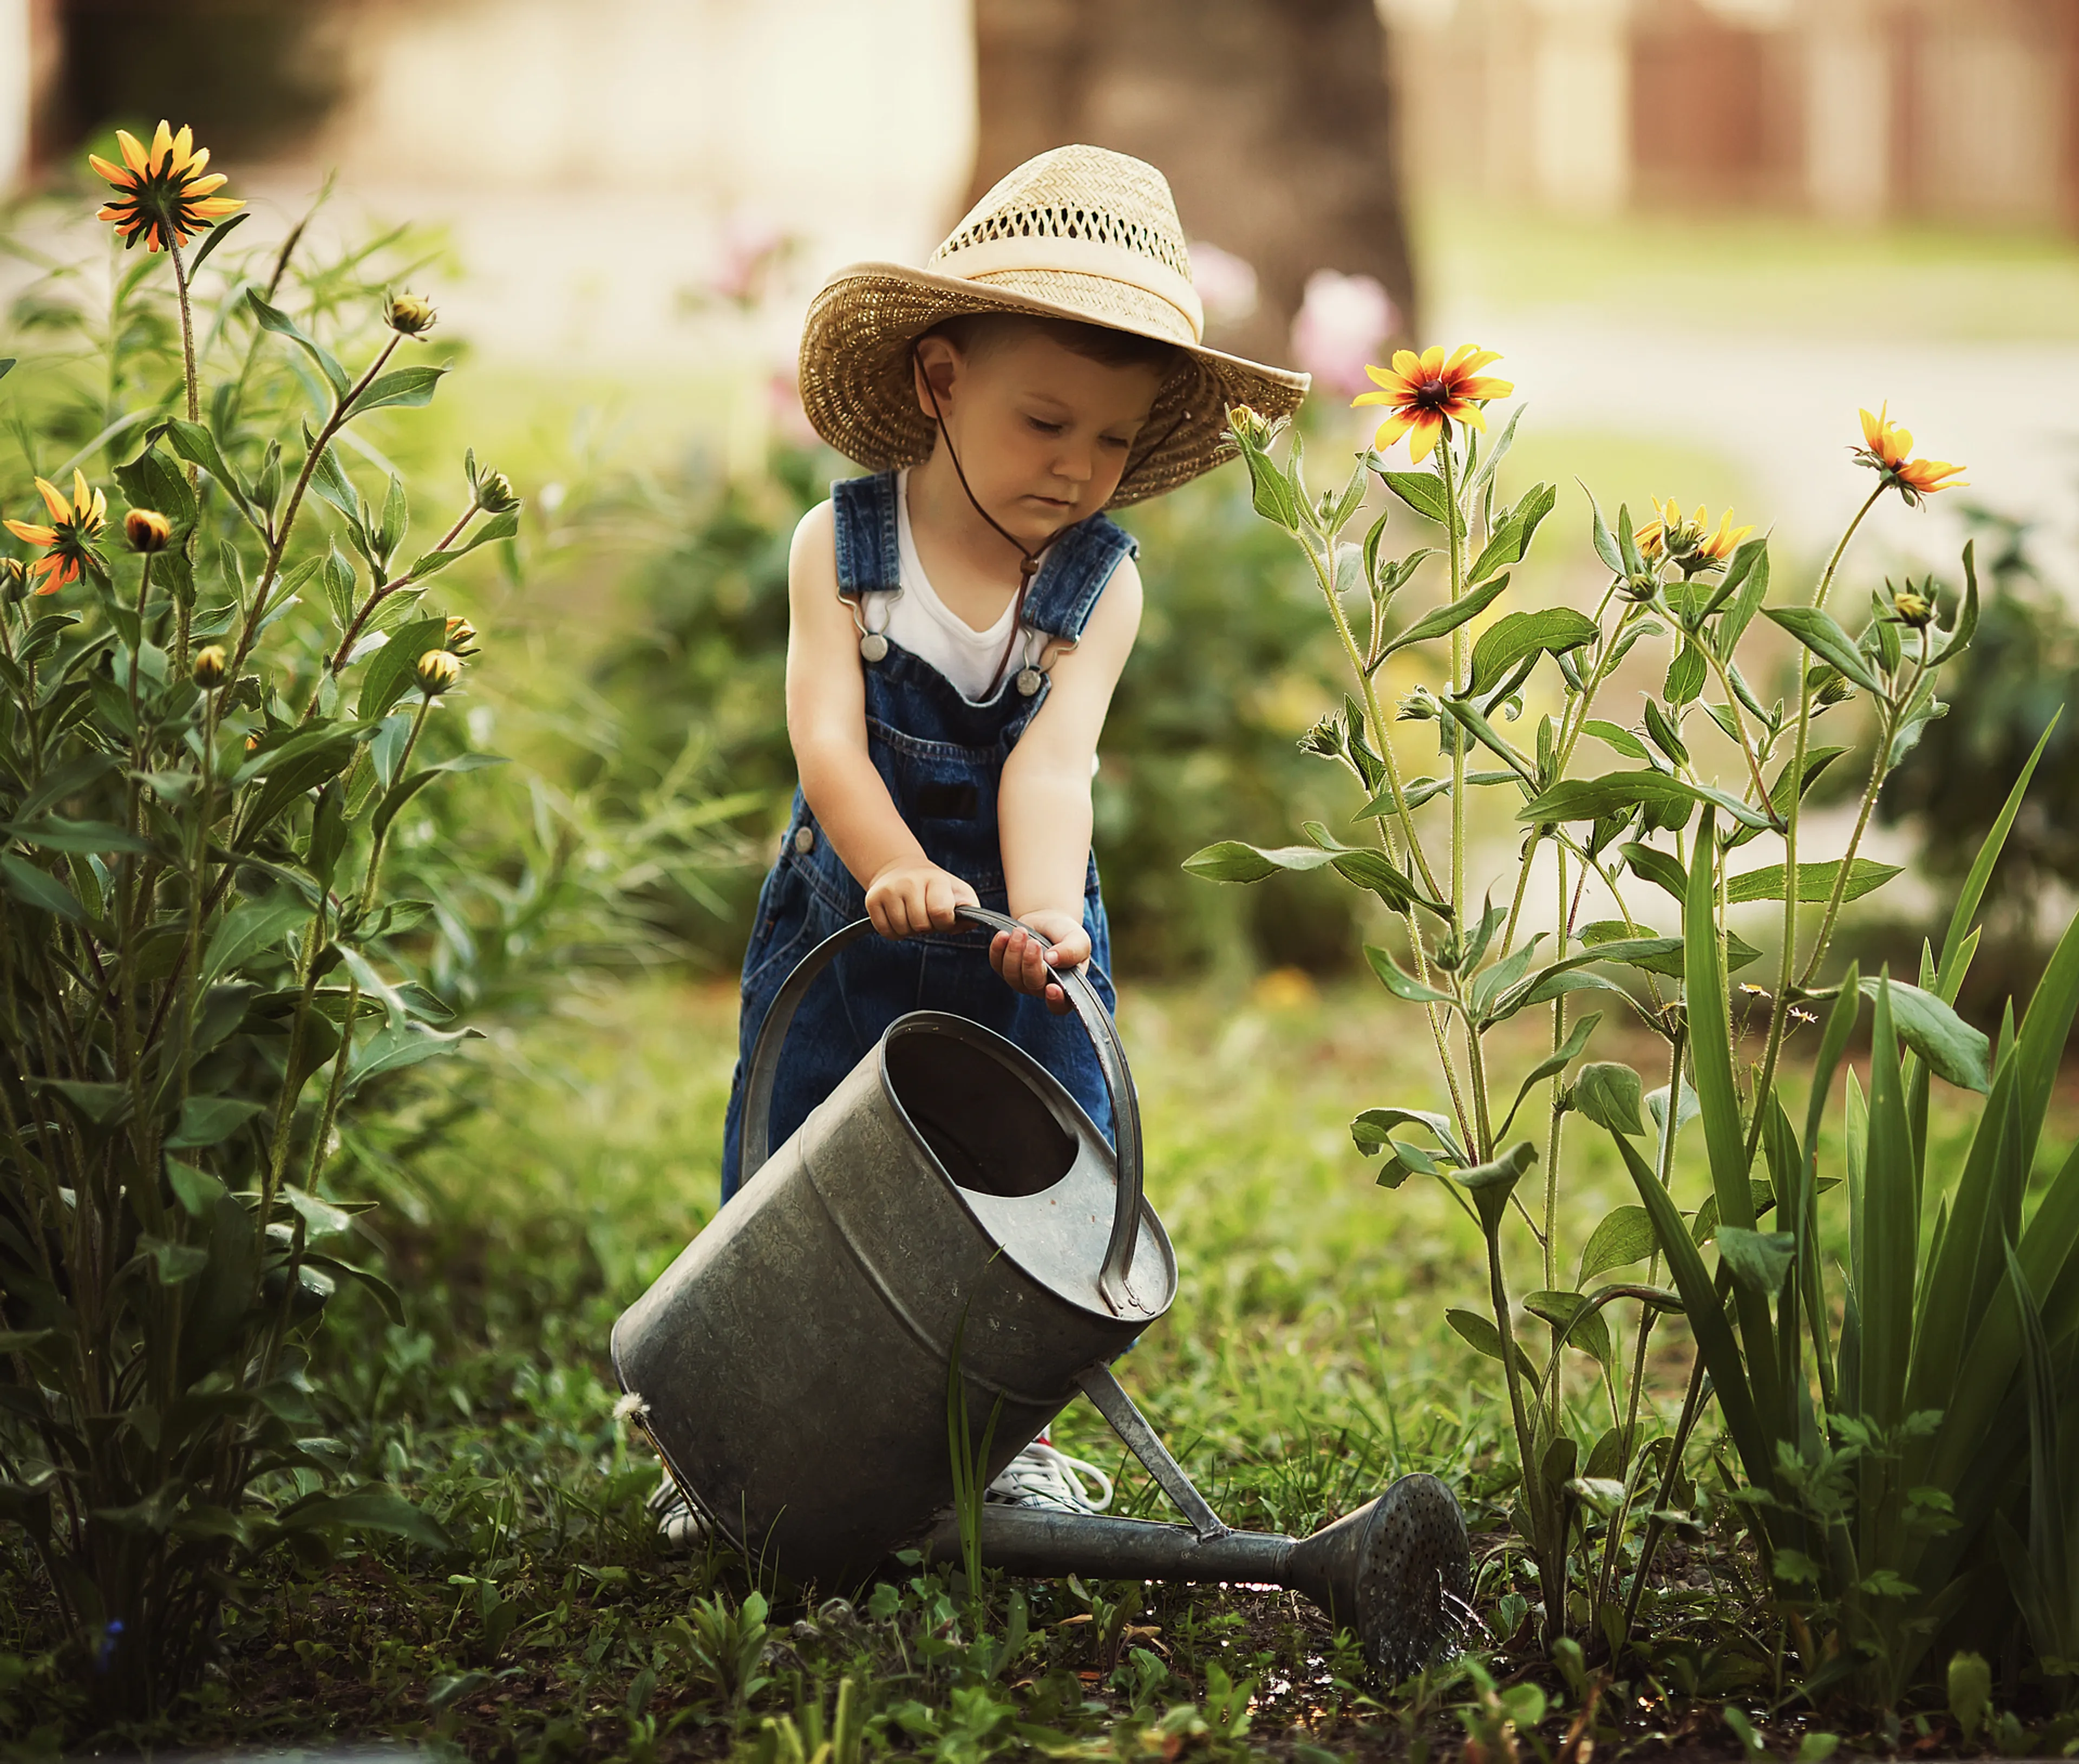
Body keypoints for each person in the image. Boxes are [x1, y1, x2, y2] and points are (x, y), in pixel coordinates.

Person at [652, 145, 1306, 1548]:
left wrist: (1044, 913)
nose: (1078, 471)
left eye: (1114, 444)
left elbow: (1051, 765)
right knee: (799, 1152)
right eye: (1045, 423)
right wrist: (890, 860)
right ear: (942, 380)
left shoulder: (1098, 583)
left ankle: (1000, 1446)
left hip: (1019, 917)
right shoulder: (840, 546)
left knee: (1036, 1167)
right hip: (854, 905)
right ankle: (734, 1425)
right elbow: (828, 741)